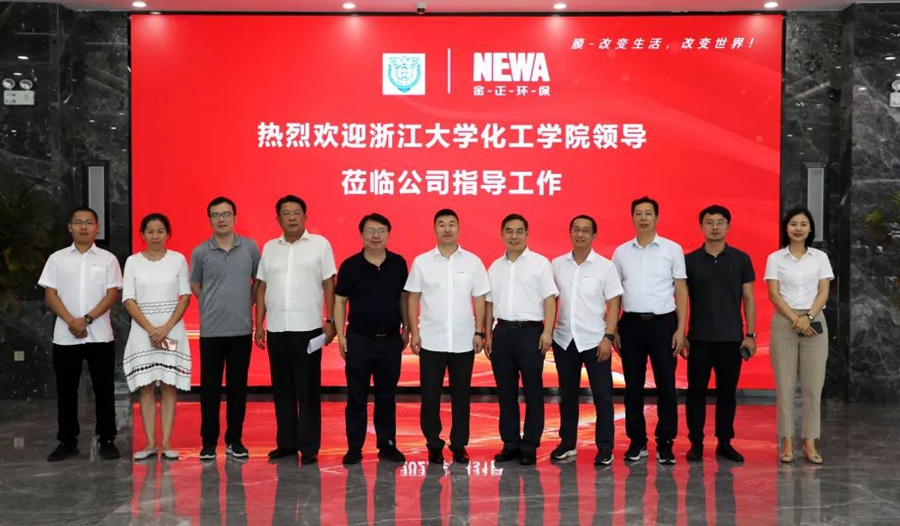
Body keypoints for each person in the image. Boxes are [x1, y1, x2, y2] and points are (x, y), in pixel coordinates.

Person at [255, 195, 336, 465]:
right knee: (282, 389)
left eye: (296, 212)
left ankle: (309, 446)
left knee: (308, 390)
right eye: (286, 213)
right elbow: (262, 287)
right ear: (278, 219)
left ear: (305, 216)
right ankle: (287, 444)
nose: (291, 217)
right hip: (277, 327)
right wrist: (258, 323)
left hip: (308, 328)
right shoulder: (270, 248)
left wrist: (330, 320)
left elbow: (329, 283)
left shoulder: (320, 245)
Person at [405, 209, 489, 465]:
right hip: (431, 340)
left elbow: (480, 299)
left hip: (464, 340)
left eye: (452, 224)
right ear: (434, 229)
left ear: (459, 229)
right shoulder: (422, 262)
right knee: (430, 396)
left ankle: (459, 445)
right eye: (441, 224)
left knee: (461, 396)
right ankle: (433, 443)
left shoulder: (473, 262)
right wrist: (415, 331)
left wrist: (479, 331)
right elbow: (413, 297)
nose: (447, 229)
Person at [39, 207, 123, 462]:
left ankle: (107, 439)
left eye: (89, 222)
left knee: (104, 389)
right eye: (78, 222)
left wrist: (86, 320)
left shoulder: (108, 259)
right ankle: (67, 441)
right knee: (66, 391)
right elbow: (50, 294)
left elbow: (112, 295)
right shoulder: (57, 259)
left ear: (97, 228)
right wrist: (71, 321)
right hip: (66, 336)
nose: (83, 227)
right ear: (70, 227)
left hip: (100, 336)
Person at [612, 196, 687, 465]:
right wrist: (613, 329)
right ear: (632, 218)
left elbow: (681, 290)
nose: (643, 218)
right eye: (638, 213)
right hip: (630, 325)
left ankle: (665, 442)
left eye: (648, 213)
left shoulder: (672, 249)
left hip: (663, 324)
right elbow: (614, 294)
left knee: (666, 385)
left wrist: (681, 329)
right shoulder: (621, 252)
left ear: (657, 218)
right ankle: (637, 441)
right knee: (633, 386)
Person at [334, 213, 409, 465]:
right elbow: (340, 301)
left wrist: (407, 328)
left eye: (381, 231)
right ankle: (354, 447)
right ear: (361, 234)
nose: (375, 236)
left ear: (388, 234)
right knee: (356, 396)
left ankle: (387, 445)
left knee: (386, 396)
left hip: (390, 340)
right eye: (370, 231)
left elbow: (403, 298)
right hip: (359, 340)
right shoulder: (350, 265)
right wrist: (341, 335)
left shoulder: (398, 264)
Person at [684, 205, 757, 463]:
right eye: (709, 222)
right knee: (696, 393)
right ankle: (696, 443)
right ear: (701, 226)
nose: (715, 226)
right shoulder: (689, 261)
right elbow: (681, 300)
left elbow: (749, 298)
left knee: (727, 393)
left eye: (720, 222)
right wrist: (682, 333)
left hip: (731, 339)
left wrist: (751, 335)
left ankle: (725, 443)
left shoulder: (741, 259)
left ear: (728, 226)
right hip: (698, 339)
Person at [190, 196, 261, 461]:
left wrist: (246, 301)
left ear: (234, 217)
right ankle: (209, 442)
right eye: (216, 215)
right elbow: (195, 284)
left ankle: (235, 440)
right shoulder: (201, 251)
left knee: (237, 388)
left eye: (226, 214)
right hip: (212, 331)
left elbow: (258, 281)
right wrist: (210, 303)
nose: (221, 219)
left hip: (241, 329)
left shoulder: (250, 248)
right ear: (209, 219)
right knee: (209, 389)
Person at [485, 213, 559, 466]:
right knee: (505, 392)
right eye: (509, 231)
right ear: (502, 234)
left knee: (533, 391)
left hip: (530, 333)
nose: (514, 236)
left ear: (527, 234)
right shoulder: (495, 267)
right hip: (502, 332)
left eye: (519, 231)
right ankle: (510, 443)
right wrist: (487, 333)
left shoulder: (540, 264)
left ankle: (530, 445)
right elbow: (489, 303)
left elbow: (550, 300)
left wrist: (547, 332)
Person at [550, 214, 623, 466]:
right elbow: (549, 300)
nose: (580, 234)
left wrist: (608, 337)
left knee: (603, 396)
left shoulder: (605, 267)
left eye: (586, 230)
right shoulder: (557, 265)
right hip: (564, 340)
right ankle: (567, 443)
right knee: (567, 395)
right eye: (576, 229)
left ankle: (605, 446)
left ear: (594, 235)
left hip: (595, 341)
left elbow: (614, 304)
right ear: (570, 232)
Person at [764, 207, 833, 464]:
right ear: (786, 227)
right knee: (785, 387)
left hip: (814, 321)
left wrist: (808, 317)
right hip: (785, 321)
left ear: (810, 229)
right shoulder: (775, 258)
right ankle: (787, 440)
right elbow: (774, 294)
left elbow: (824, 292)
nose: (798, 228)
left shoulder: (820, 258)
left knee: (813, 388)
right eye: (793, 223)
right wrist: (796, 319)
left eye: (803, 224)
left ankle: (810, 441)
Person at [123, 212, 193, 461]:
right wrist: (151, 328)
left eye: (160, 231)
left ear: (168, 234)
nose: (155, 236)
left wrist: (165, 328)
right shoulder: (132, 261)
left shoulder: (178, 260)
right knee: (146, 388)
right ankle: (150, 443)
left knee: (169, 386)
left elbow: (185, 296)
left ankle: (166, 443)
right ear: (142, 234)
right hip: (142, 333)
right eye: (150, 231)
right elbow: (128, 299)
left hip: (171, 331)